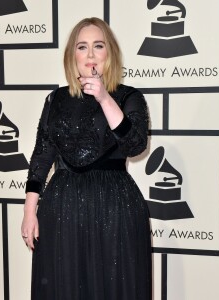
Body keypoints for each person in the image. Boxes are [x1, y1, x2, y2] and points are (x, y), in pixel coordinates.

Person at [21, 17, 152, 300]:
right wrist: (29, 211)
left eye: (98, 46)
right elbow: (42, 155)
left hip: (114, 209)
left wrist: (105, 98)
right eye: (82, 47)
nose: (90, 54)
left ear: (110, 54)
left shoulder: (129, 97)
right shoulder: (55, 99)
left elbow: (135, 145)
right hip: (62, 208)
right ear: (73, 55)